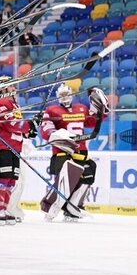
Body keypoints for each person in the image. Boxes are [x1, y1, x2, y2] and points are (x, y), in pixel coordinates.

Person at [39, 84, 109, 222]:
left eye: (67, 94)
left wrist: (101, 111)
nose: (65, 98)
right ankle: (50, 207)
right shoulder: (51, 110)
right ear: (58, 96)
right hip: (62, 151)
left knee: (88, 173)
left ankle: (73, 207)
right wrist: (55, 134)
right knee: (66, 181)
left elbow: (91, 122)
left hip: (81, 150)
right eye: (62, 95)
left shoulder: (81, 108)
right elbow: (46, 129)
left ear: (71, 94)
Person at [0, 76, 41, 225]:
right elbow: (11, 124)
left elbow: (18, 127)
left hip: (13, 147)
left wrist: (29, 130)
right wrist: (29, 125)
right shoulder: (1, 102)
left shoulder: (14, 104)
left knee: (11, 180)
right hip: (1, 146)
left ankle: (4, 208)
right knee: (2, 179)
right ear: (3, 88)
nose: (14, 89)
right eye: (11, 86)